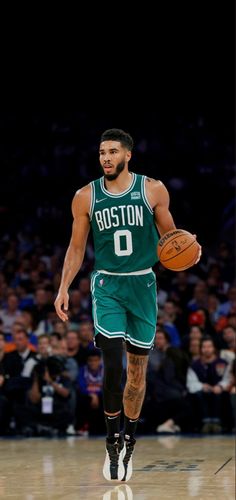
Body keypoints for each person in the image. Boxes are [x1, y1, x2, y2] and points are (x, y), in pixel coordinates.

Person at [54, 128, 201, 481]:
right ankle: (110, 441)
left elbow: (171, 240)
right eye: (102, 152)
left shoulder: (153, 189)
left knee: (136, 375)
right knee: (113, 363)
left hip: (142, 284)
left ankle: (129, 442)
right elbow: (76, 249)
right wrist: (63, 287)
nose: (105, 157)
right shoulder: (85, 196)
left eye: (112, 152)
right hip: (107, 284)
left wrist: (190, 253)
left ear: (127, 155)